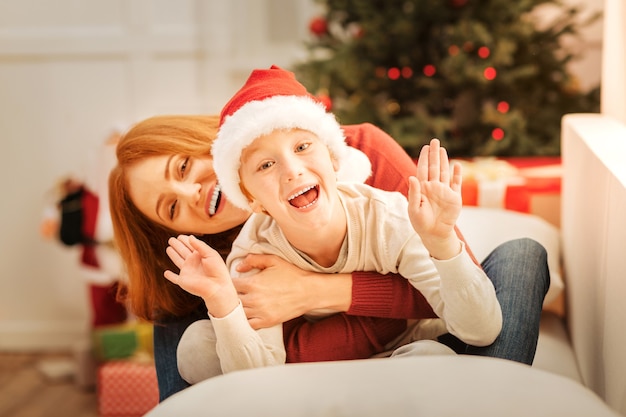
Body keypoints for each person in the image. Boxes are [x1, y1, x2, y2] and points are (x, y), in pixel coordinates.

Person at [110, 94, 549, 401]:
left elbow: (446, 290)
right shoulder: (232, 255)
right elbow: (256, 361)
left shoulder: (359, 157)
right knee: (175, 314)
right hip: (292, 360)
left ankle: (487, 402)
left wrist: (317, 291)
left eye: (184, 165)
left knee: (522, 256)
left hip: (414, 324)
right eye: (171, 208)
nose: (191, 194)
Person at [163, 65, 504, 382]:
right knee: (195, 348)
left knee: (433, 357)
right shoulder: (252, 255)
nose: (292, 169)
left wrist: (442, 240)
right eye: (266, 165)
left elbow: (481, 330)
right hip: (317, 368)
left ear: (334, 158)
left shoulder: (388, 217)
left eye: (302, 146)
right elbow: (257, 381)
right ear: (252, 200)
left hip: (405, 344)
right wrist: (224, 302)